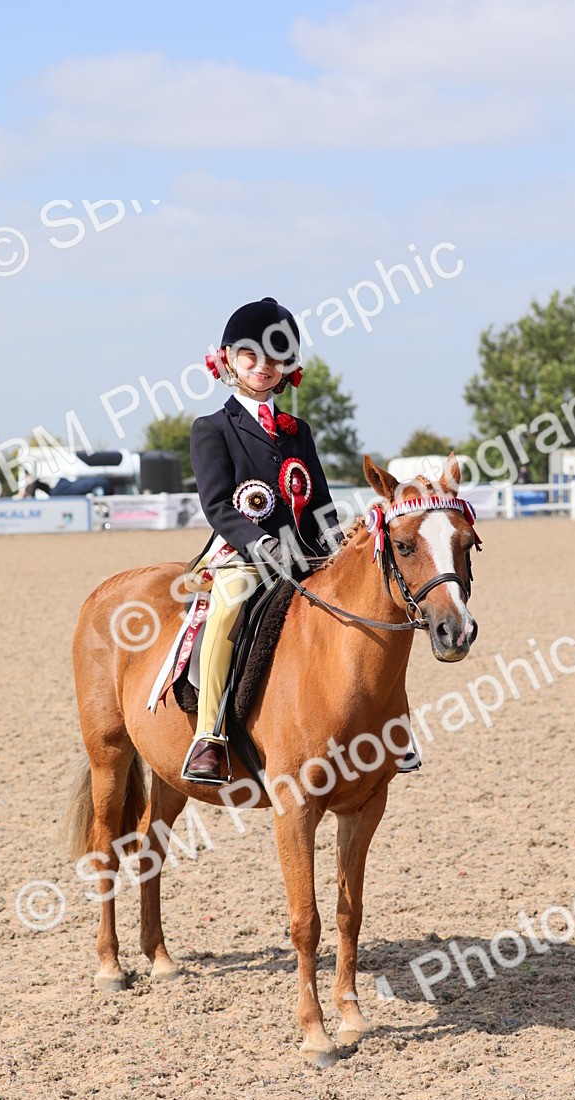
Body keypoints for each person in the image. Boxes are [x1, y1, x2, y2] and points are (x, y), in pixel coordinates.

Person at [181, 296, 343, 785]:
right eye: (251, 355)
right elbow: (218, 506)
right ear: (229, 358)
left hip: (307, 554)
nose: (263, 366)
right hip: (244, 555)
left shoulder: (300, 432)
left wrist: (338, 546)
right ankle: (208, 735)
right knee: (228, 605)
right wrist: (262, 546)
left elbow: (321, 502)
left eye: (275, 357)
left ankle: (384, 723)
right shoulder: (211, 429)